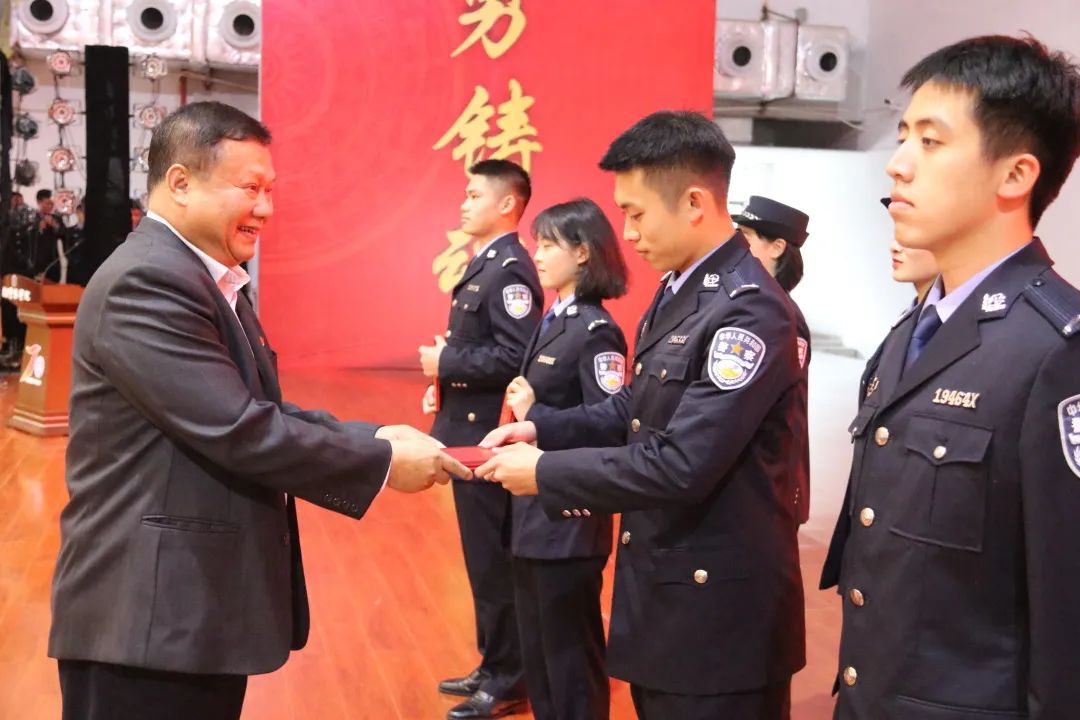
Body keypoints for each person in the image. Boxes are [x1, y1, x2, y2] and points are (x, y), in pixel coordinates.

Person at [48, 101, 470, 720]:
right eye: (250, 188)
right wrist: (380, 462)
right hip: (145, 620)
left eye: (270, 190)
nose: (266, 209)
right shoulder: (149, 281)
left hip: (187, 614)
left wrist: (375, 433)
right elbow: (237, 428)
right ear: (181, 183)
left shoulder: (207, 276)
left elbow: (253, 407)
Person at [476, 111, 806, 720]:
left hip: (719, 614)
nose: (626, 234)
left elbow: (681, 463)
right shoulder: (681, 289)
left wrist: (545, 472)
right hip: (666, 590)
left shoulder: (749, 310)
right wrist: (543, 427)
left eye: (636, 213)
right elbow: (637, 405)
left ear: (694, 202)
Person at [821, 35, 1080, 718]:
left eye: (931, 142)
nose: (898, 164)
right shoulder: (916, 331)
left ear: (1015, 175)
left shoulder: (1055, 352)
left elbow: (1067, 610)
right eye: (903, 136)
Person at [419, 159, 542, 720]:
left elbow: (517, 355)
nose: (464, 204)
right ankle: (493, 662)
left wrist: (447, 362)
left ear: (507, 204)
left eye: (474, 195)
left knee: (494, 562)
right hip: (469, 430)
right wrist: (443, 379)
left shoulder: (510, 269)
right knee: (482, 560)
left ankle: (509, 677)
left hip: (487, 437)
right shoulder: (489, 261)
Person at [501, 197, 628, 720]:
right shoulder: (554, 318)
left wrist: (537, 414)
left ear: (583, 253)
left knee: (570, 658)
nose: (537, 254)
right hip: (533, 511)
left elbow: (613, 420)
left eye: (549, 244)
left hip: (568, 517)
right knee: (540, 654)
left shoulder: (597, 330)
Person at [735, 195, 812, 524]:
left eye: (746, 236)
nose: (737, 245)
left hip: (766, 484)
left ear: (777, 247)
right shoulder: (752, 305)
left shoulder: (785, 318)